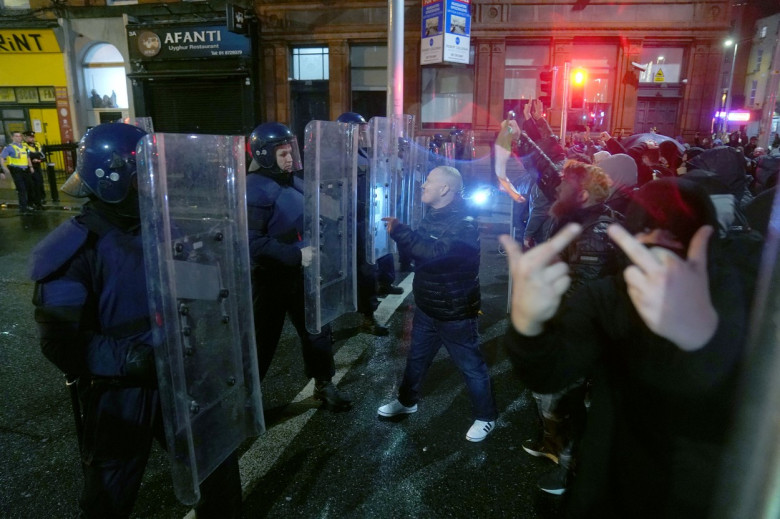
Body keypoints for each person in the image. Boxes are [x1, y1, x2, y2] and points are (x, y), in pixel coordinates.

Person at [501, 177, 761, 517]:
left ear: (706, 238)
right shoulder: (609, 296)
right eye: (646, 227)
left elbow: (758, 415)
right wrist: (528, 325)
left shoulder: (746, 294)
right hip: (609, 488)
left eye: (679, 230)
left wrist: (703, 342)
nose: (659, 241)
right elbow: (548, 372)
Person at [28, 123, 242, 518]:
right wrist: (136, 360)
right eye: (142, 176)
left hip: (181, 369)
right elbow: (62, 341)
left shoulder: (163, 227)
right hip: (122, 388)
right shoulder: (73, 249)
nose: (152, 184)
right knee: (110, 492)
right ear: (111, 179)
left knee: (216, 464)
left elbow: (197, 291)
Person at [377, 166, 498, 442]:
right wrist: (407, 240)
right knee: (416, 359)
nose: (423, 185)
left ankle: (486, 416)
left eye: (429, 181)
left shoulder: (464, 223)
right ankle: (407, 401)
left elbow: (434, 254)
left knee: (471, 366)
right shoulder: (433, 215)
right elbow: (419, 250)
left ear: (445, 189)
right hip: (428, 306)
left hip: (454, 311)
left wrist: (401, 233)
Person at [246, 121, 352, 411]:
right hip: (269, 280)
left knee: (317, 330)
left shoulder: (292, 181)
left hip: (300, 275)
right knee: (261, 343)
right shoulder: (255, 190)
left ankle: (324, 383)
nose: (290, 157)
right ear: (265, 155)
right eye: (282, 153)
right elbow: (251, 241)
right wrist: (295, 256)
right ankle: (245, 404)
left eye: (291, 150)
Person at [336, 111, 388, 336]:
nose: (364, 134)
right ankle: (327, 327)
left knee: (367, 271)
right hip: (341, 225)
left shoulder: (361, 153)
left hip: (362, 221)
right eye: (360, 130)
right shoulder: (332, 157)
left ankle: (367, 315)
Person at [0, 130, 35, 214]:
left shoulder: (24, 147)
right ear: (12, 137)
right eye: (16, 136)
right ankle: (23, 208)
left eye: (20, 136)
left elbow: (27, 157)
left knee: (29, 187)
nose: (19, 138)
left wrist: (31, 167)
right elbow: (1, 158)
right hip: (17, 171)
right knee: (21, 189)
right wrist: (4, 168)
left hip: (26, 170)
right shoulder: (9, 147)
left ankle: (29, 205)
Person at [23, 130, 46, 208]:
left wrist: (38, 160)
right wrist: (34, 158)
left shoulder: (37, 144)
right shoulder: (23, 145)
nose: (32, 139)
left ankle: (39, 202)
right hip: (28, 168)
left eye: (33, 137)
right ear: (25, 137)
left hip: (37, 167)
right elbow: (27, 156)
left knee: (39, 184)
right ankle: (31, 202)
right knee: (30, 186)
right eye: (30, 137)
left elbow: (43, 156)